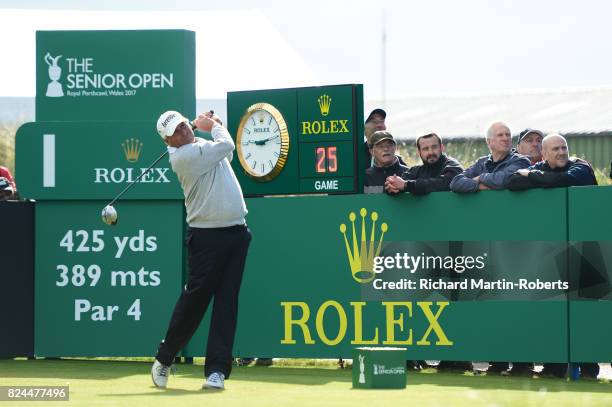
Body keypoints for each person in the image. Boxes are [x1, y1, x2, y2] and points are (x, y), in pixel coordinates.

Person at [151, 110, 252, 390]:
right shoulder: (182, 158)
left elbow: (226, 156)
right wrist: (214, 126)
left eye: (184, 124)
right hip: (206, 238)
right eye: (176, 130)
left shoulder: (200, 148)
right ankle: (164, 358)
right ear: (168, 141)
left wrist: (210, 129)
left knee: (226, 303)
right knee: (195, 302)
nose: (183, 130)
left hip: (237, 233)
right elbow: (228, 146)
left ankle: (216, 371)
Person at [450, 121, 530, 192]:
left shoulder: (521, 161)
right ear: (488, 141)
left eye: (508, 135)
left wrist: (480, 178)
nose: (505, 138)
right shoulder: (481, 163)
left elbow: (503, 180)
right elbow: (456, 183)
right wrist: (478, 186)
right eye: (500, 135)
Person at [507, 133, 597, 190]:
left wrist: (530, 175)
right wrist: (545, 181)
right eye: (556, 149)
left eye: (564, 148)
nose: (561, 152)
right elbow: (513, 181)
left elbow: (565, 179)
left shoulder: (581, 166)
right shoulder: (541, 166)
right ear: (544, 154)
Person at [384, 133, 463, 195]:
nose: (431, 152)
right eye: (425, 149)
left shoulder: (453, 166)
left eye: (434, 147)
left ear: (441, 148)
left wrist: (407, 185)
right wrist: (392, 187)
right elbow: (397, 185)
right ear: (419, 152)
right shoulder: (415, 171)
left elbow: (445, 183)